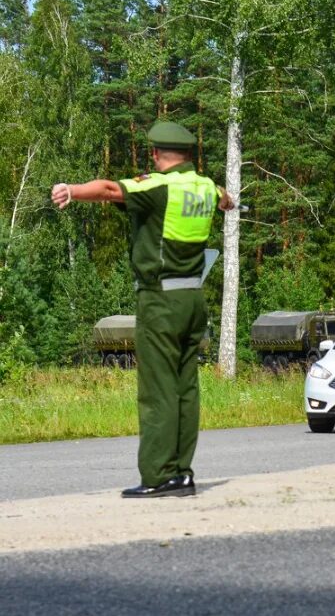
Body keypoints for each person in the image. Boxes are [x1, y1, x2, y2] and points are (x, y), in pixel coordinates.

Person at [51, 120, 234, 498]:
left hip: (160, 300)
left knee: (157, 390)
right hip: (193, 299)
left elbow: (108, 189)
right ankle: (182, 472)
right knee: (185, 388)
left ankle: (158, 475)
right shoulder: (202, 186)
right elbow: (223, 195)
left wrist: (71, 190)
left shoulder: (159, 186)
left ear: (155, 154)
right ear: (187, 154)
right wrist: (227, 199)